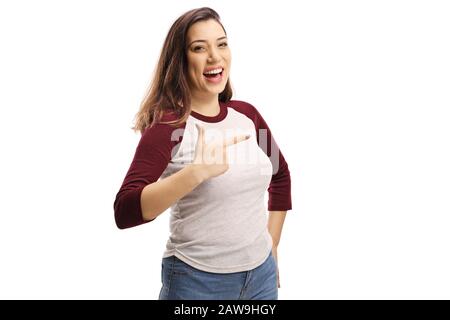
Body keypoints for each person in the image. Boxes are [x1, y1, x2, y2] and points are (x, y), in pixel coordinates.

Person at [113, 7, 292, 300]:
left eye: (221, 43)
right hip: (197, 283)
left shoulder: (248, 115)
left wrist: (273, 244)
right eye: (199, 48)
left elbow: (280, 175)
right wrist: (196, 172)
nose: (214, 56)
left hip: (261, 278)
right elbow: (125, 210)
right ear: (181, 60)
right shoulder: (169, 127)